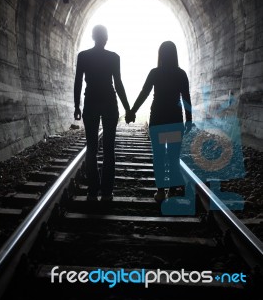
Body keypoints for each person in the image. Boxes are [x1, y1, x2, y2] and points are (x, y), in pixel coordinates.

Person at [126, 41, 192, 202]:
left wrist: (132, 111)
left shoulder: (155, 73)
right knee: (174, 157)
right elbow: (186, 99)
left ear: (160, 55)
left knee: (159, 156)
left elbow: (144, 93)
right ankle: (172, 191)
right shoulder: (181, 74)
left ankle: (161, 192)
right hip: (175, 121)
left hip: (158, 121)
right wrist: (189, 120)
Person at [74, 24, 130, 201]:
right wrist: (128, 108)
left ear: (92, 37)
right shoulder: (113, 58)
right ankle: (106, 192)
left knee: (91, 148)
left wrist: (77, 106)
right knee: (109, 148)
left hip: (90, 102)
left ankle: (92, 190)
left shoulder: (83, 56)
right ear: (106, 38)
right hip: (109, 103)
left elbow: (78, 83)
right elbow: (118, 84)